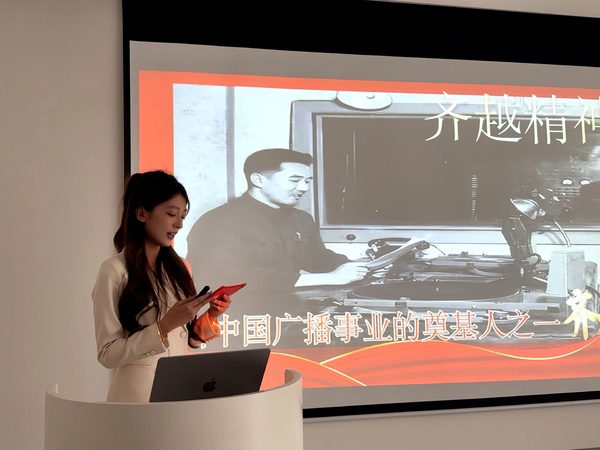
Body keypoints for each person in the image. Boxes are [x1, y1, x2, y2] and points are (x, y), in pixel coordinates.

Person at [92, 170, 231, 403]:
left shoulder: (181, 268)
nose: (179, 224)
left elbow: (189, 340)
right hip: (135, 400)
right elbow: (108, 354)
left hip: (178, 395)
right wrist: (164, 326)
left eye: (183, 216)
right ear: (141, 214)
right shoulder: (114, 271)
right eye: (171, 214)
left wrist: (212, 315)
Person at [186, 148, 371, 299]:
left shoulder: (301, 219)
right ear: (258, 180)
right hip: (238, 313)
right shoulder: (217, 222)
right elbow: (230, 277)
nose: (304, 188)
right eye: (294, 180)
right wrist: (331, 278)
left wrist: (359, 267)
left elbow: (317, 257)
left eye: (307, 181)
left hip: (292, 306)